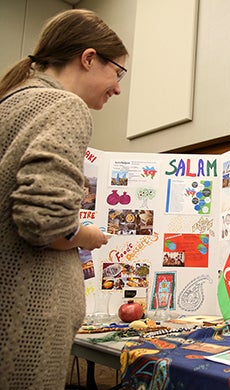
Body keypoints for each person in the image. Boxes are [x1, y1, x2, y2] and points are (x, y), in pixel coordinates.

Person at [0, 9, 127, 388]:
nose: (118, 88)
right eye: (117, 72)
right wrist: (86, 235)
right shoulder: (63, 105)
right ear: (88, 58)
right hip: (24, 328)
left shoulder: (10, 104)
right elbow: (46, 223)